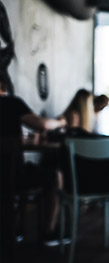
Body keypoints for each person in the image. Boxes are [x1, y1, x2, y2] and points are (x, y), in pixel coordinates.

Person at [0, 72, 67, 244]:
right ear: (4, 86)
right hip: (12, 178)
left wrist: (25, 140)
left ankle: (13, 228)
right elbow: (43, 124)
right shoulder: (11, 103)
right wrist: (60, 122)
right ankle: (49, 232)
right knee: (55, 176)